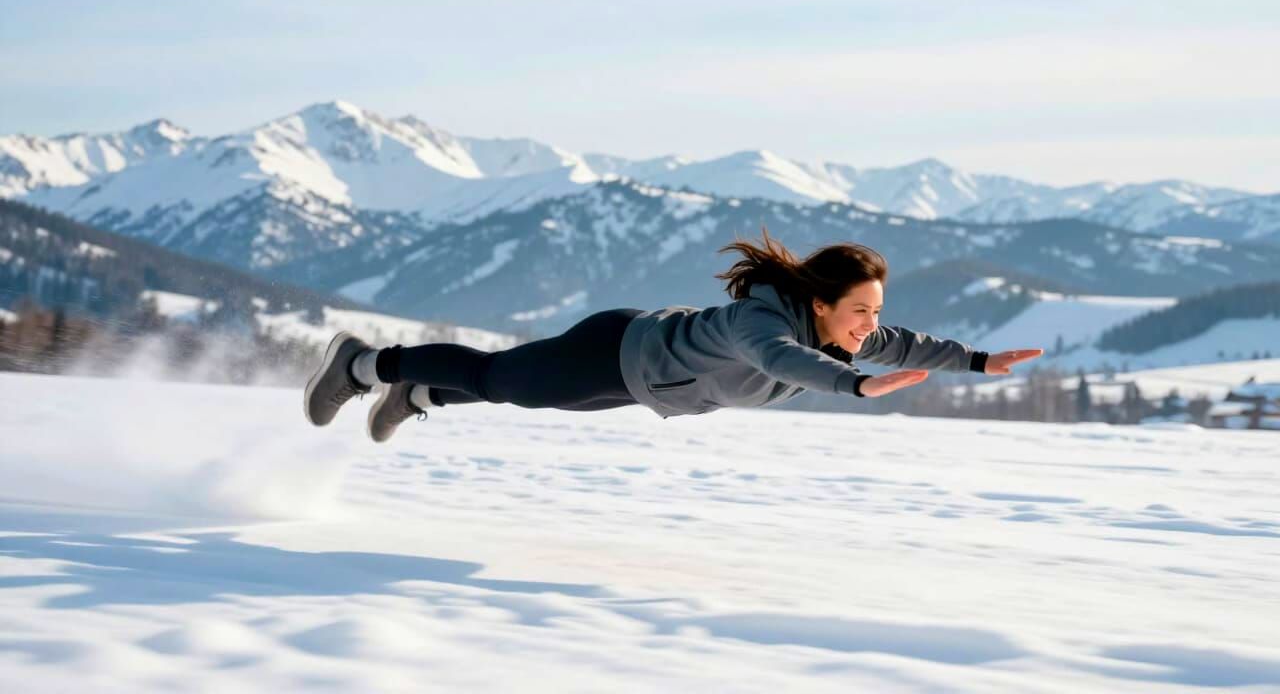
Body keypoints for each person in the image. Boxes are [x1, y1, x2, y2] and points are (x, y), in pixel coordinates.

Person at [303, 229, 1043, 442]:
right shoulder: (766, 324)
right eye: (861, 311)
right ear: (820, 304)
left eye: (875, 312)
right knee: (502, 380)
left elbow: (907, 342)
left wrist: (979, 359)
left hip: (643, 385)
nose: (871, 327)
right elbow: (776, 359)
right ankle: (366, 363)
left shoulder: (843, 335)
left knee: (522, 399)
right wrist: (854, 386)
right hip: (616, 350)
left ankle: (422, 390)